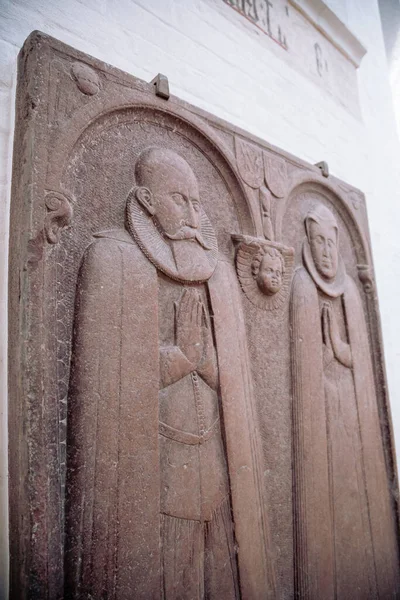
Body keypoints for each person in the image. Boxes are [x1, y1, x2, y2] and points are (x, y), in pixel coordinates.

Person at [65, 147, 275, 599]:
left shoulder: (216, 275)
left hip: (216, 468)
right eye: (181, 199)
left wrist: (208, 364)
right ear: (146, 200)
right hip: (156, 475)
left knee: (220, 574)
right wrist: (178, 357)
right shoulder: (114, 260)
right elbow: (109, 380)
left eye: (198, 202)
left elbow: (235, 379)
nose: (195, 214)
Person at [290, 203, 400, 599]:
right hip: (323, 426)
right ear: (307, 243)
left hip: (353, 425)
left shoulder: (351, 293)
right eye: (317, 242)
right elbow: (303, 370)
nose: (325, 251)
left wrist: (338, 347)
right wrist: (326, 356)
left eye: (330, 242)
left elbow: (362, 364)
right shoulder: (302, 287)